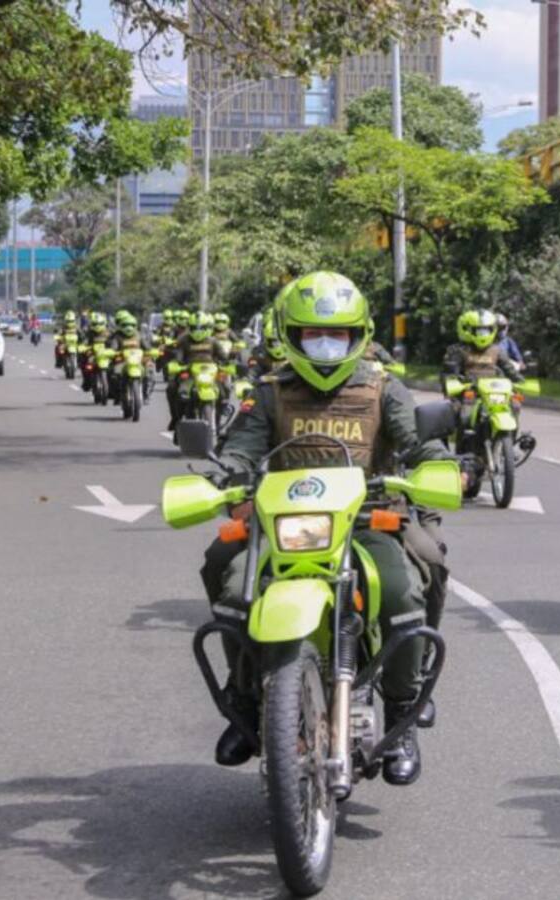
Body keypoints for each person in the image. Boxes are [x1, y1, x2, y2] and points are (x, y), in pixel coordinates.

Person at [202, 271, 452, 785]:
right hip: (284, 525)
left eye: (336, 334)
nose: (324, 345)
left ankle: (404, 711)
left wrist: (439, 463)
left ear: (357, 334)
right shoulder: (269, 392)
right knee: (226, 577)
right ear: (290, 336)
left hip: (368, 520)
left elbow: (414, 441)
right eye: (312, 334)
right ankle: (247, 703)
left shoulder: (383, 387)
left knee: (412, 582)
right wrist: (227, 475)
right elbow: (241, 447)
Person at [166, 311, 229, 431]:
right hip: (189, 374)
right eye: (195, 328)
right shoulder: (183, 340)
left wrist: (228, 363)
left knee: (226, 386)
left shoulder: (213, 341)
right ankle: (176, 418)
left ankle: (221, 414)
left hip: (211, 373)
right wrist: (176, 364)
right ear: (189, 327)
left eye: (202, 328)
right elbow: (178, 355)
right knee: (172, 388)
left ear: (207, 328)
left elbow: (223, 356)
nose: (198, 331)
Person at [442, 309, 520, 382]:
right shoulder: (459, 350)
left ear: (493, 330)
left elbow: (509, 370)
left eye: (486, 330)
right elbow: (449, 374)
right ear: (469, 330)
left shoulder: (497, 350)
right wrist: (453, 380)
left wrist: (519, 381)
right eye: (479, 330)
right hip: (469, 391)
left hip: (493, 388)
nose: (483, 334)